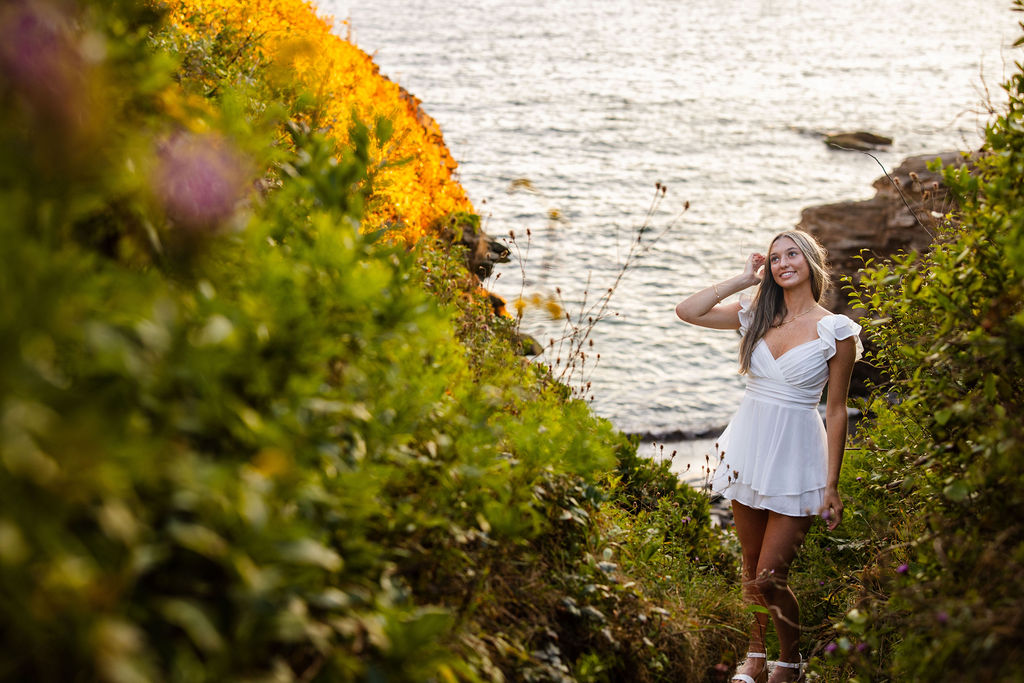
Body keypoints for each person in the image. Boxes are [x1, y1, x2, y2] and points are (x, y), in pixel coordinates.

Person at [675, 229, 861, 683]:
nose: (782, 264)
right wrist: (744, 279)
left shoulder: (835, 331)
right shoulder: (757, 314)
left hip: (798, 456)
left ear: (811, 261)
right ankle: (756, 657)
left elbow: (836, 410)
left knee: (769, 578)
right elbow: (688, 311)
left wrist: (832, 484)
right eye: (775, 258)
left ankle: (791, 661)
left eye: (791, 254)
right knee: (749, 565)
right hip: (749, 447)